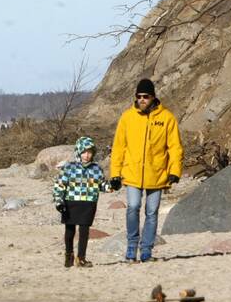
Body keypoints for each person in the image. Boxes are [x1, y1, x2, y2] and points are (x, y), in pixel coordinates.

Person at [110, 78, 183, 264]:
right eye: (139, 96)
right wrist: (115, 174)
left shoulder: (167, 118)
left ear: (153, 97)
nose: (142, 99)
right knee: (133, 207)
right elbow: (118, 147)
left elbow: (175, 147)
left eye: (146, 96)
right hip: (132, 173)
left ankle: (146, 251)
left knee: (152, 212)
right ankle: (131, 247)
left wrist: (175, 170)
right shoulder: (127, 117)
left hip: (157, 174)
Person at [52, 136, 115, 268]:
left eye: (90, 152)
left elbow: (102, 186)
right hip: (70, 202)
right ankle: (69, 254)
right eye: (84, 152)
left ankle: (81, 258)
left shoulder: (96, 169)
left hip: (88, 203)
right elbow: (60, 186)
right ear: (78, 152)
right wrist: (59, 202)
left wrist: (114, 185)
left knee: (84, 231)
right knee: (69, 231)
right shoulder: (68, 168)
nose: (87, 155)